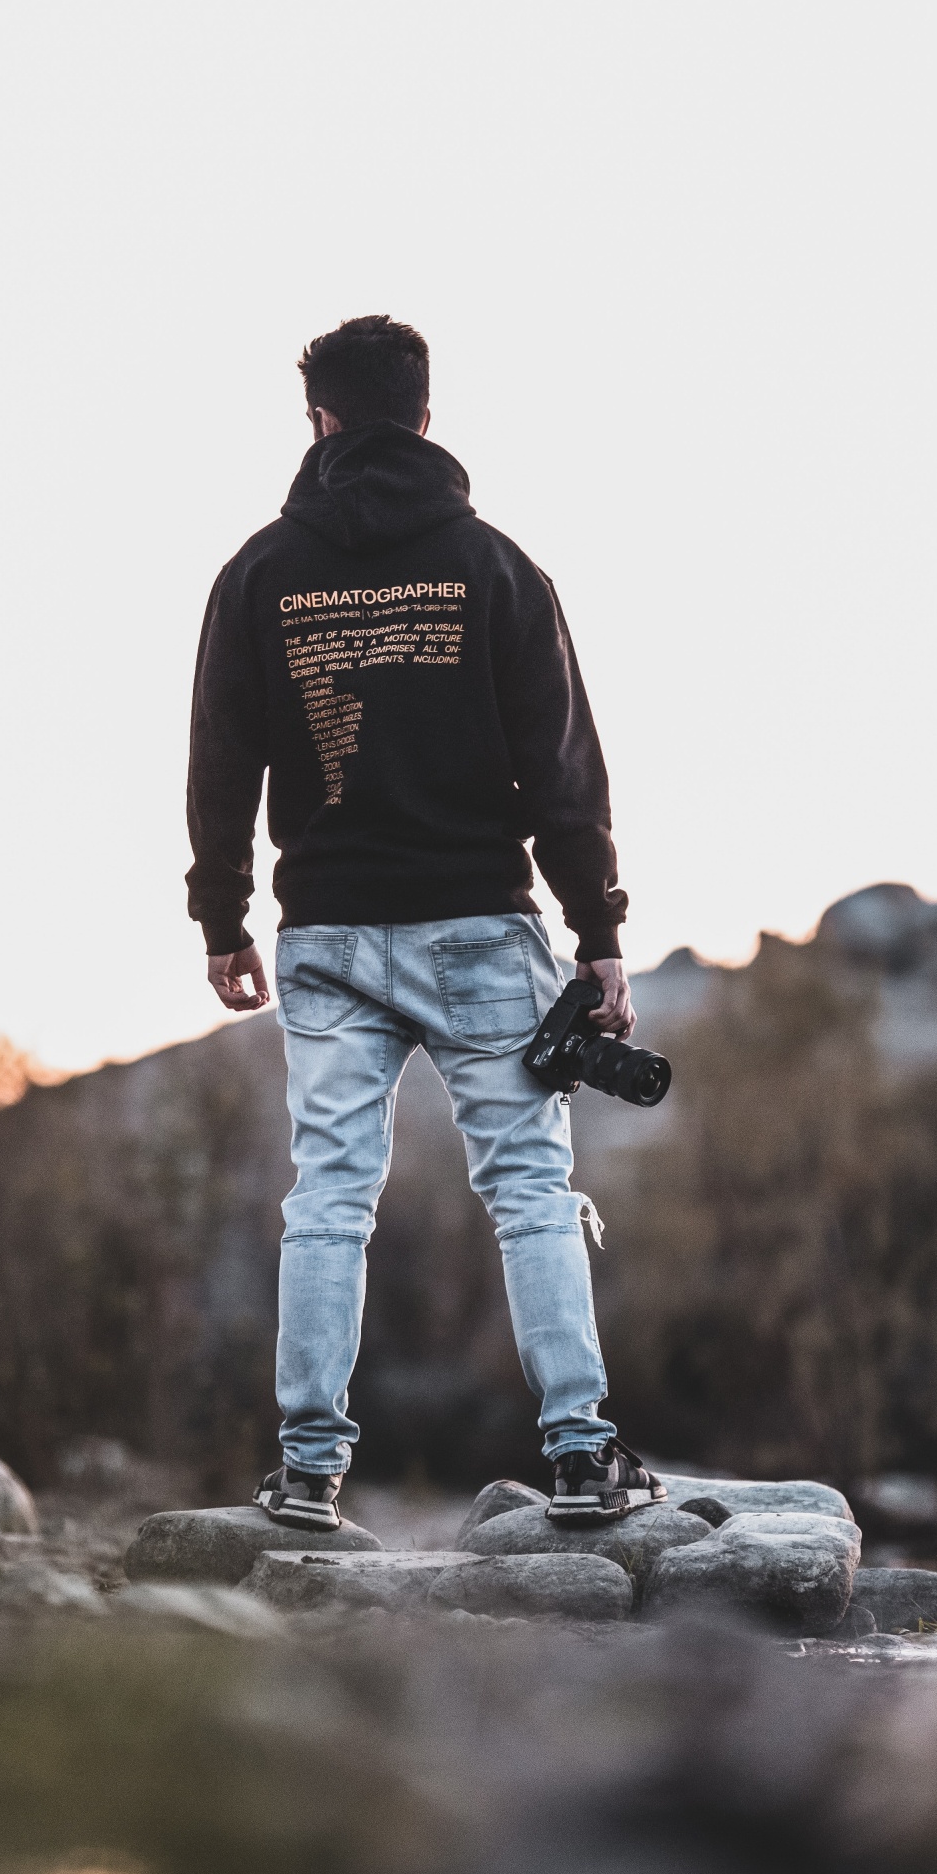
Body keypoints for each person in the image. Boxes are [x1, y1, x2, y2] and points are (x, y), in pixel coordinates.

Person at [186, 315, 665, 1532]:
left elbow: (219, 758)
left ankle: (304, 1471)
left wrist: (222, 916)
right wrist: (598, 930)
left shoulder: (258, 574)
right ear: (428, 416)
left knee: (329, 1196)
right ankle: (579, 1455)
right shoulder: (496, 567)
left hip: (329, 935)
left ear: (323, 423)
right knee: (531, 1191)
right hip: (476, 928)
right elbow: (565, 769)